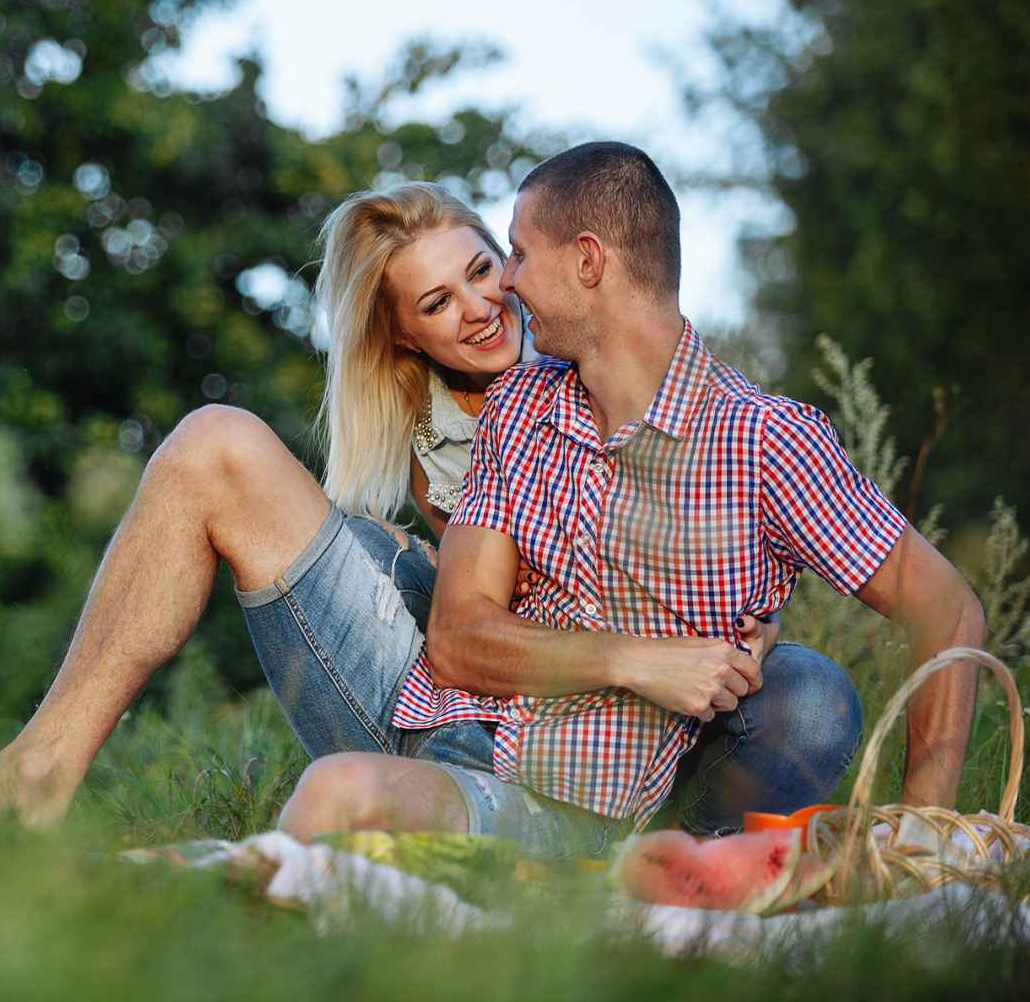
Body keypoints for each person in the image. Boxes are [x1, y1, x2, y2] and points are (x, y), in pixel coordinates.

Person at [0, 181, 784, 851]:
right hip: (461, 701)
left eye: (484, 269)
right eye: (436, 301)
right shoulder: (440, 437)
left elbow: (721, 499)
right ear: (403, 334)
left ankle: (678, 853)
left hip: (605, 718)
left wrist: (750, 599)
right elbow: (476, 619)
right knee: (222, 446)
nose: (481, 307)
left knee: (807, 686)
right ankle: (36, 773)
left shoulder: (605, 352)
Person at [388, 142, 983, 850]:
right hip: (498, 753)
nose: (507, 284)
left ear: (587, 261)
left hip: (669, 773)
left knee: (812, 699)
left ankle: (686, 860)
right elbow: (455, 639)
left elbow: (947, 611)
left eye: (517, 254)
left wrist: (923, 827)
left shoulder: (766, 440)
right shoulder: (519, 405)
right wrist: (635, 657)